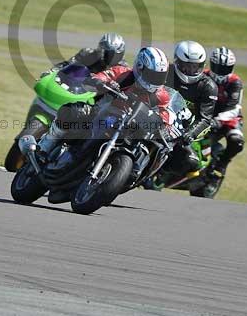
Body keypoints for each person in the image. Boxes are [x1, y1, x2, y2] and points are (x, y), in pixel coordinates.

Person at [38, 46, 173, 202]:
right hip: (102, 114)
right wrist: (102, 83)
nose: (155, 80)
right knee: (75, 111)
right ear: (140, 68)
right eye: (152, 75)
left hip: (130, 127)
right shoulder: (122, 73)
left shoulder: (162, 95)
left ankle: (106, 179)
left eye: (159, 76)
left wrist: (166, 128)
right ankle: (46, 145)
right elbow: (100, 77)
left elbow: (165, 115)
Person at [4, 33, 126, 172]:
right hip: (77, 92)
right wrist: (52, 72)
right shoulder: (87, 54)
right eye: (104, 50)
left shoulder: (122, 69)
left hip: (96, 105)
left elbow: (124, 90)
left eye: (110, 53)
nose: (106, 56)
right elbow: (67, 66)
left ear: (119, 54)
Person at [163, 41, 218, 174]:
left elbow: (205, 119)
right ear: (177, 62)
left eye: (195, 67)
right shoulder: (165, 72)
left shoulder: (208, 87)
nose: (191, 70)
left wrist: (191, 133)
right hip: (155, 117)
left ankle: (161, 174)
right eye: (187, 66)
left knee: (191, 161)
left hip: (180, 129)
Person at [202, 46, 245, 197]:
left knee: (236, 141)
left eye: (225, 68)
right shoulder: (204, 76)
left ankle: (221, 166)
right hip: (206, 116)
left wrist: (219, 120)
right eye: (218, 67)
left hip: (228, 119)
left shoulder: (235, 82)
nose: (221, 71)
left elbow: (235, 108)